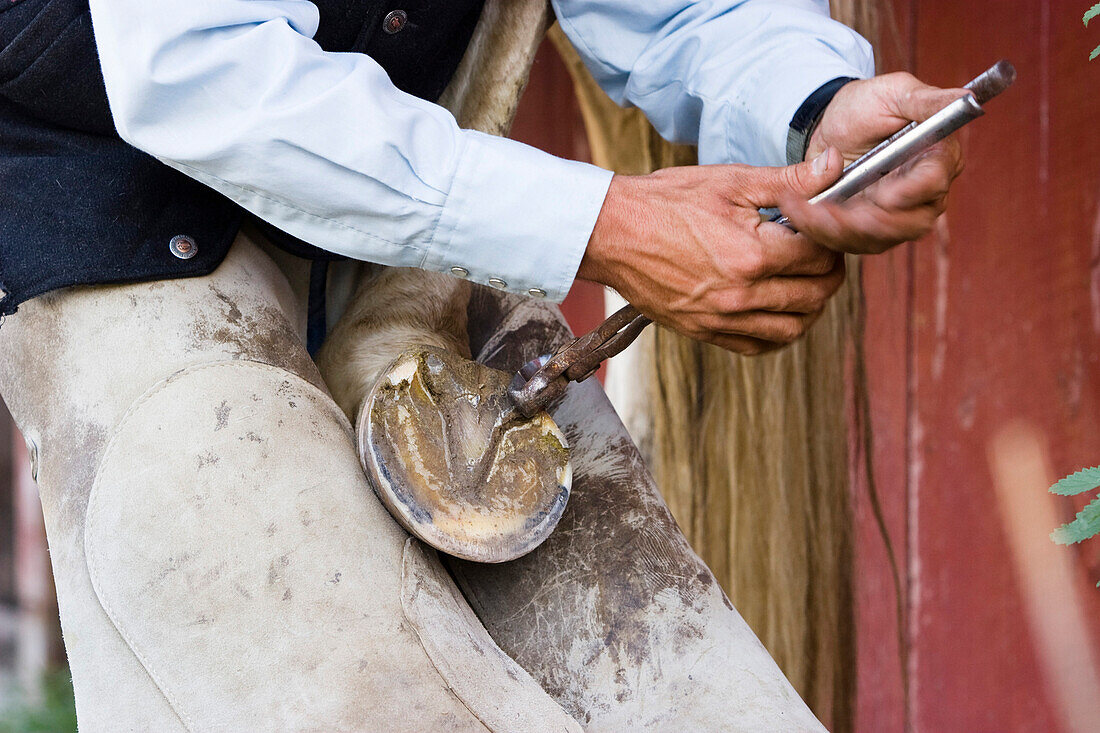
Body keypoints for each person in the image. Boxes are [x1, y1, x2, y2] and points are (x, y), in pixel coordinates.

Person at [0, 0, 963, 729]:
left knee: (686, 682)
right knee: (351, 681)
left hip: (409, 232)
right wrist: (606, 223)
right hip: (120, 218)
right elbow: (200, 69)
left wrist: (812, 100)